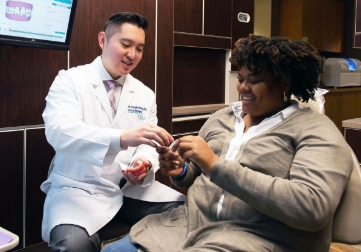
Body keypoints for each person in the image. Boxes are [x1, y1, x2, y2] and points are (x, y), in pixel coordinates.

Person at [102, 35, 353, 252]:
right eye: (241, 77)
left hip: (258, 238)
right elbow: (197, 176)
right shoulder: (222, 118)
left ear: (284, 82)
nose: (243, 87)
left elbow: (311, 208)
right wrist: (181, 171)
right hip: (189, 226)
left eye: (254, 80)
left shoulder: (315, 130)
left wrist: (215, 165)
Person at [41, 12, 185, 252]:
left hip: (126, 188)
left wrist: (144, 162)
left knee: (189, 214)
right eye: (125, 44)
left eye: (139, 48)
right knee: (74, 246)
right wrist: (121, 138)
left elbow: (147, 144)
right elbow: (59, 131)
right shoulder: (70, 80)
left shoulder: (145, 94)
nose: (132, 55)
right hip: (77, 189)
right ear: (102, 40)